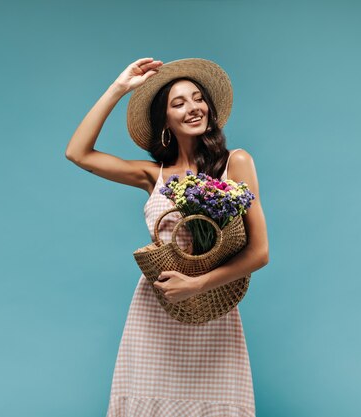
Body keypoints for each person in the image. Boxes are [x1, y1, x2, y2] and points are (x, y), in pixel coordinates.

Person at [65, 57, 269, 416]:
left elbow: (259, 252)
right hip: (155, 310)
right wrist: (119, 88)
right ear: (166, 122)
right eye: (179, 103)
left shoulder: (234, 163)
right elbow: (77, 153)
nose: (193, 108)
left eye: (198, 98)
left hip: (212, 308)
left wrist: (198, 285)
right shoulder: (152, 176)